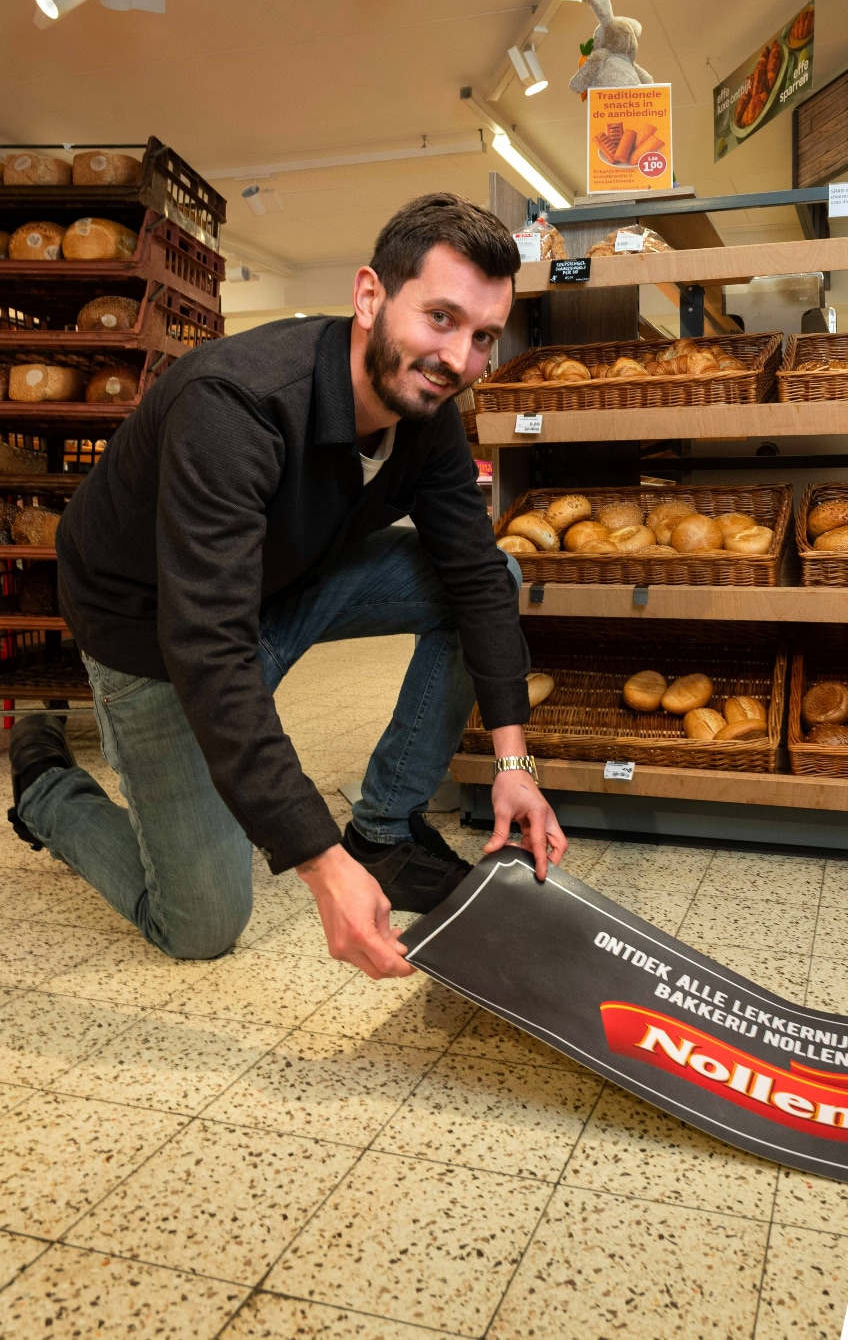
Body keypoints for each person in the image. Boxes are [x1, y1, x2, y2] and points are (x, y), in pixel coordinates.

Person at [7, 193, 567, 982]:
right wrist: (318, 859)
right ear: (369, 295)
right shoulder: (234, 405)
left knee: (496, 572)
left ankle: (386, 825)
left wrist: (515, 764)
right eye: (440, 318)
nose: (460, 359)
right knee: (200, 922)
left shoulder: (427, 408)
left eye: (482, 336)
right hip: (151, 627)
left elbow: (474, 576)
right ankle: (49, 789)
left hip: (282, 581)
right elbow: (207, 645)